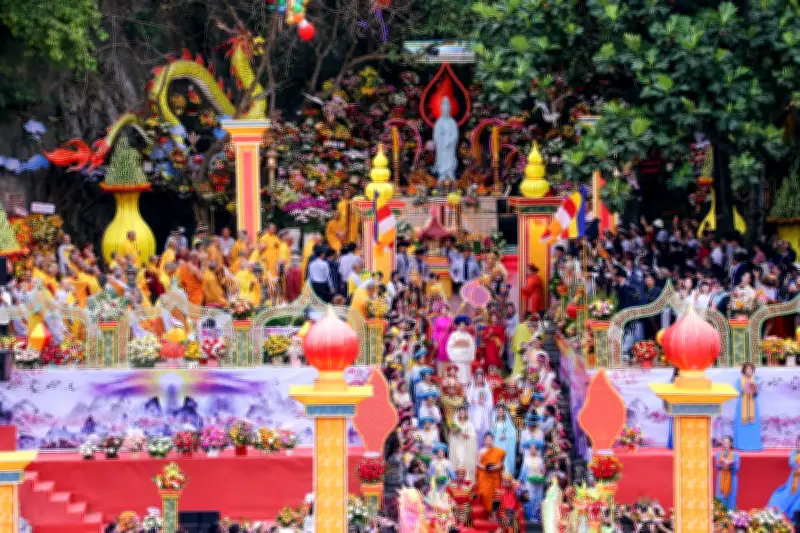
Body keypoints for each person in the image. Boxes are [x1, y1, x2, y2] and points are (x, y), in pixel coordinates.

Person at [767, 435, 800, 517]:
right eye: (798, 442)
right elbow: (791, 463)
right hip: (795, 478)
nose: (799, 443)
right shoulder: (794, 453)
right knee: (789, 494)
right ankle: (780, 513)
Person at [733, 362, 762, 451]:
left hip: (753, 403)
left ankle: (754, 446)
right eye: (747, 369)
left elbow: (757, 393)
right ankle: (741, 446)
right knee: (742, 425)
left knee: (753, 425)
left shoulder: (756, 379)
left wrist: (755, 390)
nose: (749, 371)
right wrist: (744, 389)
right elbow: (737, 392)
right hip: (742, 405)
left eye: (750, 369)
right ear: (744, 370)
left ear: (753, 370)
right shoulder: (739, 380)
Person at [476, 433, 506, 511]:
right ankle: (486, 511)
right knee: (485, 493)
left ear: (493, 440)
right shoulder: (481, 451)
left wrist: (495, 467)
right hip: (485, 475)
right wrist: (486, 468)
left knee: (495, 494)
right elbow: (478, 464)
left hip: (495, 475)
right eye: (487, 440)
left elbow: (501, 464)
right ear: (484, 440)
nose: (489, 441)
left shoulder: (499, 451)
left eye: (490, 439)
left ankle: (494, 512)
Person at [518, 440, 545, 522]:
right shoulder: (526, 460)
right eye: (531, 448)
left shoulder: (540, 460)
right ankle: (530, 517)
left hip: (539, 483)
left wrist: (542, 474)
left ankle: (538, 517)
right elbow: (523, 472)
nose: (533, 450)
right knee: (530, 498)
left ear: (537, 450)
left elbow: (542, 471)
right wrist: (521, 481)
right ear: (529, 449)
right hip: (529, 483)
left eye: (534, 448)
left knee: (538, 499)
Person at [450, 406, 478, 482]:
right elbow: (452, 435)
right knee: (459, 461)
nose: (462, 413)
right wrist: (456, 433)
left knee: (467, 463)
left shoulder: (470, 423)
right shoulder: (455, 423)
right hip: (458, 446)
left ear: (466, 413)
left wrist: (468, 435)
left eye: (463, 412)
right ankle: (457, 481)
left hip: (468, 447)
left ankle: (468, 481)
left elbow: (473, 435)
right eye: (460, 412)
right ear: (458, 413)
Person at [446, 316, 476, 384]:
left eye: (464, 325)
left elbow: (472, 347)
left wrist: (469, 356)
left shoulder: (468, 336)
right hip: (457, 360)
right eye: (460, 325)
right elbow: (449, 346)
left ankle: (466, 389)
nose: (462, 327)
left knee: (466, 378)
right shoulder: (453, 335)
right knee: (457, 377)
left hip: (466, 361)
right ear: (458, 326)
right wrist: (454, 356)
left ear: (466, 326)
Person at [466, 370, 494, 442]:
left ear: (483, 378)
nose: (479, 379)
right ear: (475, 378)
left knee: (484, 429)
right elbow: (468, 400)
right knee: (474, 429)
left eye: (481, 378)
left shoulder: (486, 389)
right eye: (478, 378)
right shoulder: (472, 389)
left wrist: (484, 404)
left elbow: (490, 402)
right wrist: (473, 402)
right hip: (474, 411)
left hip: (484, 411)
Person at [491, 403, 518, 476]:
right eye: (499, 410)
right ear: (496, 412)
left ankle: (505, 476)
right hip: (495, 445)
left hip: (505, 446)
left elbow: (513, 434)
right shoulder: (494, 423)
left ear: (504, 412)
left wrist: (506, 436)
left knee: (505, 461)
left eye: (502, 411)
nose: (500, 412)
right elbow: (490, 434)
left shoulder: (507, 423)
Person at [715, 435, 740, 511]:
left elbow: (737, 468)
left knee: (731, 497)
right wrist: (723, 465)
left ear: (731, 444)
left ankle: (730, 512)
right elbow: (717, 466)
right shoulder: (718, 454)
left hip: (732, 477)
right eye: (723, 442)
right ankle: (720, 513)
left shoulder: (735, 455)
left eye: (726, 442)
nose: (724, 444)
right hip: (721, 477)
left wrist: (730, 465)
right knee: (720, 496)